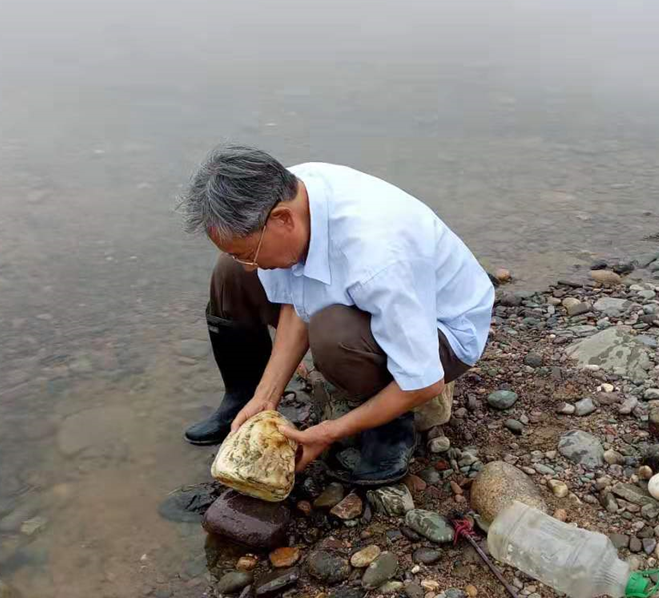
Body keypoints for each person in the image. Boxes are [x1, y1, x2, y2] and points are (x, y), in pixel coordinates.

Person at [182, 145, 494, 487]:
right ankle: (243, 401)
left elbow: (425, 380)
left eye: (250, 253)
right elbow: (298, 298)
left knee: (333, 335)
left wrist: (328, 432)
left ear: (283, 219)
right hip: (368, 295)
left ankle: (390, 430)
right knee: (232, 273)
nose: (249, 262)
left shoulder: (377, 257)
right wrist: (266, 397)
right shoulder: (285, 195)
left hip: (443, 330)